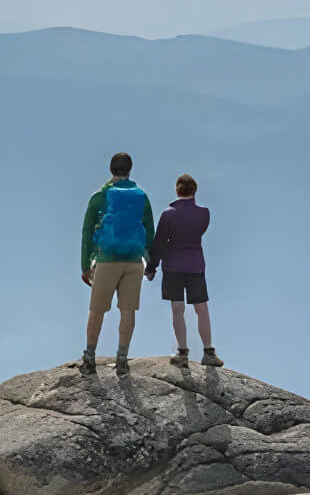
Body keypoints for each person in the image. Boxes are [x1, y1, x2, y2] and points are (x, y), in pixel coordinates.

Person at [80, 151, 155, 373]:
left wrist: (85, 265)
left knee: (97, 310)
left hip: (107, 259)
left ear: (111, 169)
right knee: (128, 310)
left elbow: (86, 231)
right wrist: (150, 262)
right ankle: (122, 359)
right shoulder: (141, 196)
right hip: (133, 260)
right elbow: (149, 230)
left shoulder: (100, 196)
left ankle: (89, 358)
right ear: (129, 169)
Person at [147, 174, 223, 367]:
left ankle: (182, 352)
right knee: (201, 308)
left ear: (177, 190)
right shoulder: (204, 213)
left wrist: (151, 267)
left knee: (177, 308)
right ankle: (208, 351)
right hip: (195, 264)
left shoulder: (168, 214)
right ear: (194, 190)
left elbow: (159, 243)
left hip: (172, 264)